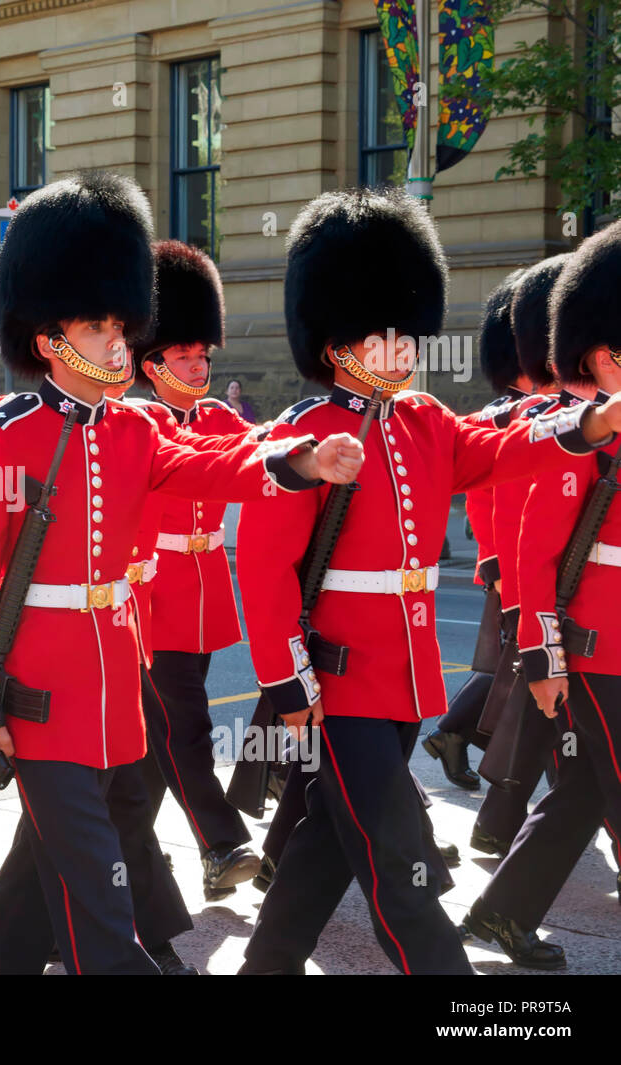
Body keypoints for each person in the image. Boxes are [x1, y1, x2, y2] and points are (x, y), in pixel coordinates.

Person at [0, 170, 364, 975]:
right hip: (39, 697)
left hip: (113, 692)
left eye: (118, 323)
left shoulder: (133, 429)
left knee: (47, 870)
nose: (117, 341)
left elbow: (216, 464)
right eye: (97, 327)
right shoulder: (0, 438)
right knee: (100, 896)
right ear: (47, 338)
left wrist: (301, 457)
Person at [235, 187, 621, 976]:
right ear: (339, 339)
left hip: (400, 686)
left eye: (409, 333)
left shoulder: (420, 424)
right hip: (338, 690)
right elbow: (264, 567)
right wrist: (288, 682)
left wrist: (591, 423)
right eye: (387, 335)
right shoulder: (304, 433)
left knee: (321, 851)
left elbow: (504, 449)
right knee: (403, 873)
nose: (405, 350)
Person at [464, 221, 621, 968]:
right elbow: (533, 556)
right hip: (599, 650)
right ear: (599, 354)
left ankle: (502, 911)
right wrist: (545, 656)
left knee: (585, 790)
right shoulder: (578, 435)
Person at [127, 240, 263, 901]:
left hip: (204, 589)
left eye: (202, 352)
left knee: (159, 741)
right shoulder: (140, 419)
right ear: (151, 363)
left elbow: (258, 460)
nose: (197, 362)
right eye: (182, 354)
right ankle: (221, 837)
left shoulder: (216, 416)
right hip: (154, 595)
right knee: (186, 726)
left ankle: (131, 854)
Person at [422, 269, 528, 790]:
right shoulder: (498, 418)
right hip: (510, 564)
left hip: (528, 561)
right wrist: (495, 563)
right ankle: (457, 737)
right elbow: (483, 500)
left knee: (514, 661)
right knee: (517, 661)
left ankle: (458, 738)